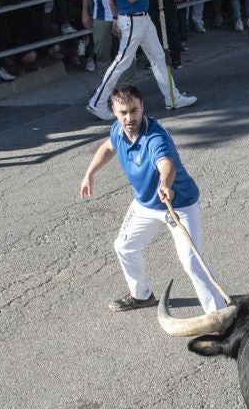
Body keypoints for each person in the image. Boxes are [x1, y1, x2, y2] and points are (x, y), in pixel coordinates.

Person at [78, 83, 226, 315]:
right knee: (124, 247)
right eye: (123, 112)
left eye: (134, 110)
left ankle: (219, 316)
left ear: (142, 106)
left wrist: (165, 183)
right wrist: (90, 173)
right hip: (145, 204)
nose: (129, 117)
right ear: (114, 113)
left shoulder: (154, 136)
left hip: (177, 203)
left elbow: (166, 164)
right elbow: (108, 147)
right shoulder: (118, 131)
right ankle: (141, 295)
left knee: (191, 261)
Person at [86, 0, 186, 120]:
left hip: (139, 18)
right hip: (133, 18)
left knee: (157, 56)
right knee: (121, 62)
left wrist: (116, 17)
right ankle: (97, 102)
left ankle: (172, 98)